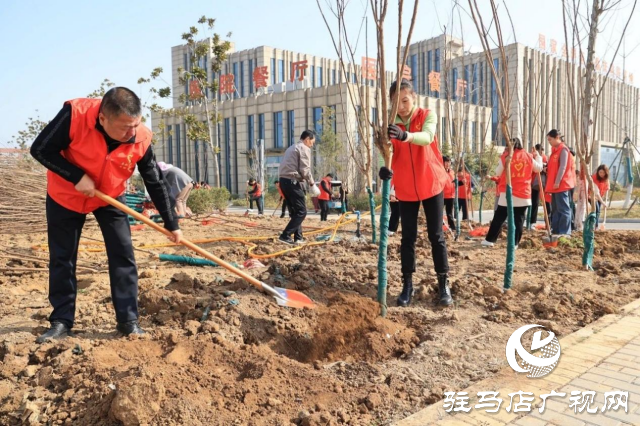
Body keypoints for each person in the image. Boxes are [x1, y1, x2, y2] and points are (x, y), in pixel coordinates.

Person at [30, 87, 182, 342]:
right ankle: (61, 321)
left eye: (135, 124)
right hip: (66, 196)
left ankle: (128, 321)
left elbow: (154, 180)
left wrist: (172, 223)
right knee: (63, 258)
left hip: (110, 196)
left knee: (123, 253)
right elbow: (41, 149)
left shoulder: (141, 136)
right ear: (103, 118)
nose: (131, 133)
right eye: (124, 127)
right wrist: (76, 176)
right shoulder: (75, 115)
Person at [379, 79, 452, 307]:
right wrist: (385, 169)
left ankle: (443, 285)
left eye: (404, 100)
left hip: (430, 183)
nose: (401, 106)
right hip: (406, 189)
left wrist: (406, 136)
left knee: (436, 236)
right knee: (407, 238)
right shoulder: (390, 125)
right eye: (395, 102)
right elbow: (389, 154)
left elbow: (427, 137)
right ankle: (407, 285)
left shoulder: (426, 115)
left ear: (414, 98)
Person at [482, 138, 543, 247]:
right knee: (519, 219)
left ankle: (490, 240)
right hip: (523, 193)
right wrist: (538, 156)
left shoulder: (506, 156)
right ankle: (515, 243)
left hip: (507, 193)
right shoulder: (528, 156)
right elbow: (538, 168)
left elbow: (497, 172)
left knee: (499, 217)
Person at [278, 130, 320, 244]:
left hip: (284, 181)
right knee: (301, 211)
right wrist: (312, 184)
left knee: (295, 212)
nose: (312, 145)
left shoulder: (292, 147)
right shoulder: (304, 148)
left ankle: (298, 237)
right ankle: (285, 235)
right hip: (292, 182)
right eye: (312, 142)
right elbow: (305, 169)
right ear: (307, 140)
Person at [545, 129, 576, 237]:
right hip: (554, 185)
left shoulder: (563, 150)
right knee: (556, 209)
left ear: (557, 137)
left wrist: (557, 181)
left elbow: (563, 167)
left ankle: (565, 232)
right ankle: (556, 230)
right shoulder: (555, 150)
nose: (549, 142)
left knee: (564, 208)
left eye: (550, 139)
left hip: (561, 185)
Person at [529, 144, 548, 225]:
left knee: (534, 202)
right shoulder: (545, 157)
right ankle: (535, 221)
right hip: (541, 183)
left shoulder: (534, 156)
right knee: (540, 202)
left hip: (534, 182)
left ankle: (532, 221)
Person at [593, 164, 610, 230]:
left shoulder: (606, 179)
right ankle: (595, 226)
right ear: (598, 172)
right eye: (600, 172)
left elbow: (607, 188)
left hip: (600, 196)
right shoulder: (594, 178)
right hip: (592, 196)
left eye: (603, 172)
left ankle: (596, 226)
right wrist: (603, 203)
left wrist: (607, 188)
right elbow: (596, 193)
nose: (602, 174)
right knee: (596, 209)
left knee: (598, 211)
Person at [442, 156, 456, 231]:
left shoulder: (452, 172)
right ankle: (441, 225)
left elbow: (454, 183)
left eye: (449, 162)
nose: (448, 164)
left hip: (451, 195)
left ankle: (452, 226)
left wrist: (461, 182)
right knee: (439, 212)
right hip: (442, 195)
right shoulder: (440, 171)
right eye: (446, 162)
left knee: (449, 212)